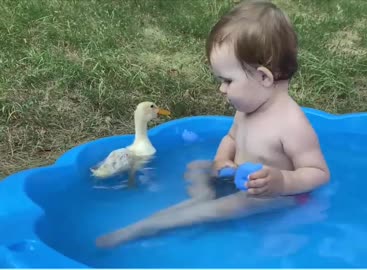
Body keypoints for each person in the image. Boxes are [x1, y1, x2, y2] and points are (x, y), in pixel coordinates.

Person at [95, 0, 330, 248]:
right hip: (238, 177)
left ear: (264, 77)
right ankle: (202, 196)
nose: (221, 89)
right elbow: (230, 140)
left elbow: (319, 173)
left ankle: (147, 227)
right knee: (197, 167)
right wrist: (221, 161)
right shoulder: (248, 109)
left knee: (216, 210)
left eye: (228, 81)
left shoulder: (291, 124)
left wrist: (281, 182)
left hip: (271, 195)